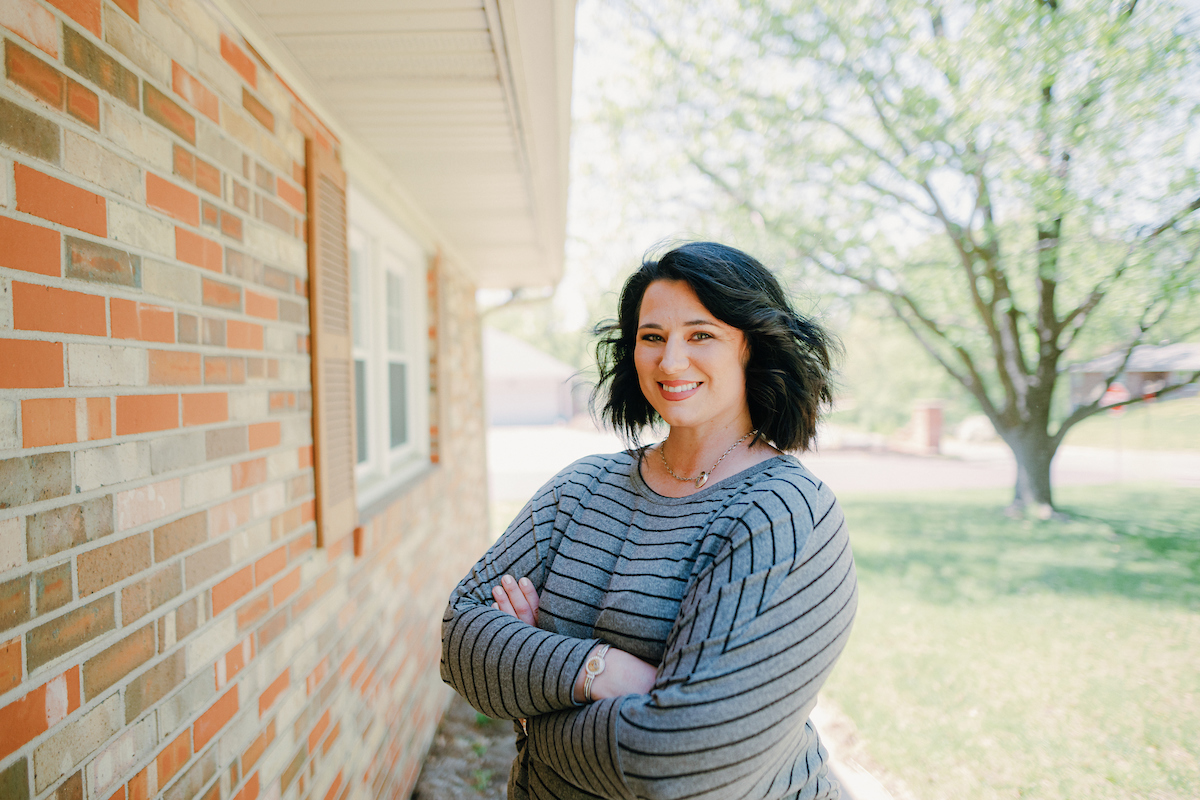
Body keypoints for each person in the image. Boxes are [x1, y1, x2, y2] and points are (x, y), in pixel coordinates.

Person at [441, 242, 858, 800]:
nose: (671, 361)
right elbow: (460, 634)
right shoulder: (582, 486)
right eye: (652, 337)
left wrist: (531, 698)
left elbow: (684, 762)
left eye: (701, 335)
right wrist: (601, 670)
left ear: (750, 348)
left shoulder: (784, 514)